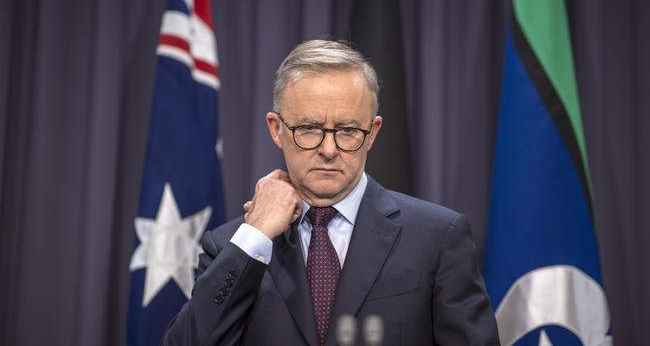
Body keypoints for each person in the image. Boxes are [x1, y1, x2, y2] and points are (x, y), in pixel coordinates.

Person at [161, 40, 499, 345]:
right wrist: (256, 235)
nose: (328, 149)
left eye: (348, 131)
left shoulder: (437, 238)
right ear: (277, 129)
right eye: (308, 129)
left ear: (372, 132)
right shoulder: (231, 245)